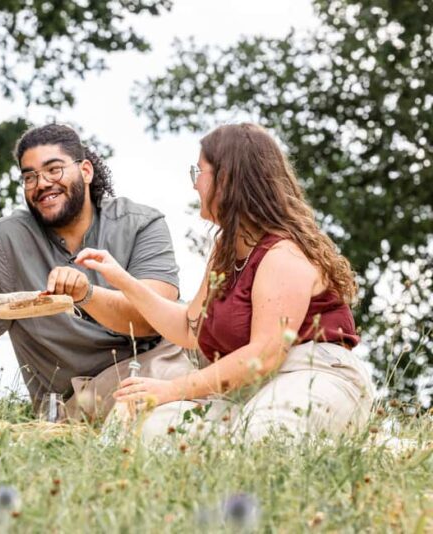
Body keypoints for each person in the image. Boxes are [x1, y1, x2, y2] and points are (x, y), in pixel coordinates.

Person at [76, 123, 375, 442]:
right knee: (149, 427)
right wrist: (120, 278)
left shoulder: (283, 253)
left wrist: (171, 389)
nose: (194, 185)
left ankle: (382, 449)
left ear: (227, 179)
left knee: (263, 437)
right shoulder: (225, 249)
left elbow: (264, 355)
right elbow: (190, 329)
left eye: (199, 172)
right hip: (253, 389)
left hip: (314, 376)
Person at [0, 123, 196, 418]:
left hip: (160, 372)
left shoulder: (141, 224)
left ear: (85, 171)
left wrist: (86, 295)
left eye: (54, 169)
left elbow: (153, 320)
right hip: (75, 404)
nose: (41, 183)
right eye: (29, 176)